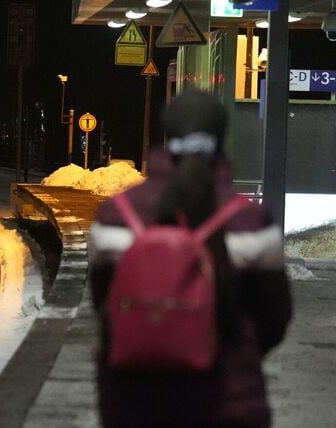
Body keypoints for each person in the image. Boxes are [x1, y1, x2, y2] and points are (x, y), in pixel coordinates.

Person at [87, 92, 291, 427]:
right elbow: (275, 315)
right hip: (228, 401)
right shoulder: (250, 219)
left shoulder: (116, 214)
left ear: (168, 133)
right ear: (222, 136)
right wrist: (233, 348)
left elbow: (104, 303)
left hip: (131, 403)